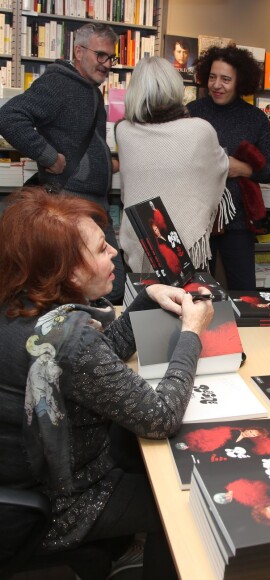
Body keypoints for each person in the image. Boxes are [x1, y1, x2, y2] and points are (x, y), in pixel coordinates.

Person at [0, 187, 214, 579]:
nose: (113, 252)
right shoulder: (68, 337)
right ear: (67, 270)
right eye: (101, 249)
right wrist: (192, 333)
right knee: (186, 510)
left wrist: (147, 297)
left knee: (139, 453)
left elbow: (96, 357)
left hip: (33, 471)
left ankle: (113, 549)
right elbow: (160, 417)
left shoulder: (24, 304)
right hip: (62, 502)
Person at [0, 23, 125, 304]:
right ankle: (79, 340)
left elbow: (83, 138)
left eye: (111, 58)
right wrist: (48, 157)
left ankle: (87, 337)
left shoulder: (91, 89)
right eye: (100, 55)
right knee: (99, 284)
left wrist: (106, 162)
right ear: (79, 52)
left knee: (100, 283)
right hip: (70, 204)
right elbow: (9, 117)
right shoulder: (59, 83)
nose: (106, 64)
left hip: (90, 202)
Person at [116, 56, 229, 274]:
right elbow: (219, 167)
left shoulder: (123, 131)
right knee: (188, 305)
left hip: (141, 237)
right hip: (186, 243)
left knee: (144, 303)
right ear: (175, 88)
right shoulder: (200, 130)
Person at [188, 45, 270, 290]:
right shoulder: (191, 113)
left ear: (240, 82)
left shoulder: (256, 118)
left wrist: (243, 169)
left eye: (226, 79)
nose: (217, 84)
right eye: (212, 77)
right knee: (194, 291)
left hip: (238, 222)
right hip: (197, 219)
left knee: (245, 292)